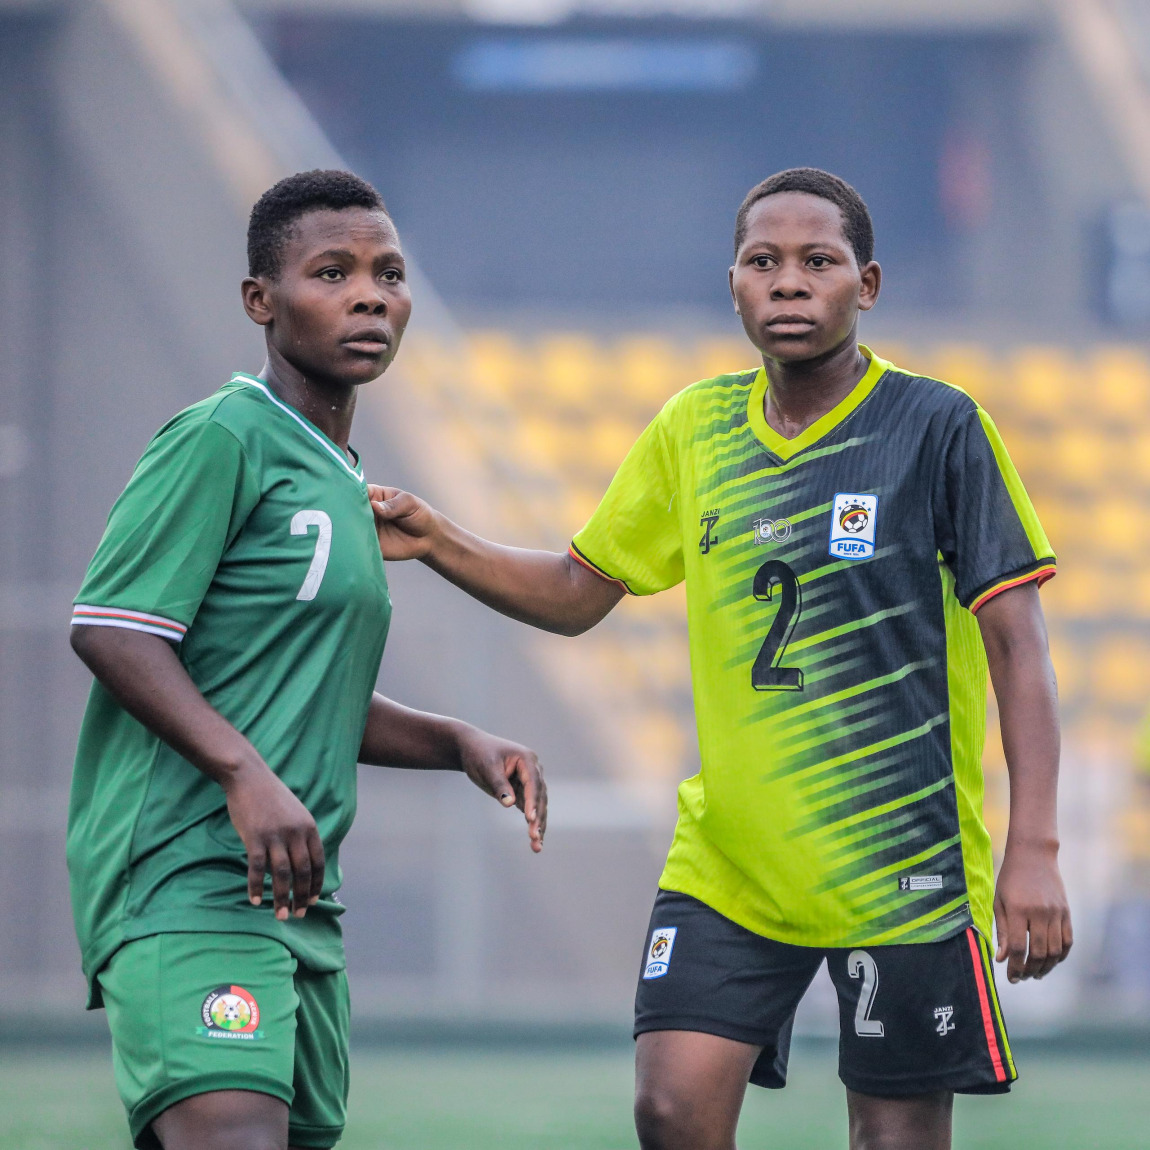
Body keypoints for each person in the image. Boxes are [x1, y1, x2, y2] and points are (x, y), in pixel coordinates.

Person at [369, 167, 1072, 1150]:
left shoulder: (938, 426)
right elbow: (576, 590)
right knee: (668, 1110)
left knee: (894, 1138)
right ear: (734, 284)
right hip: (729, 865)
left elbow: (1018, 645)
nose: (788, 281)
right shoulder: (693, 427)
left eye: (818, 261)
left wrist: (1034, 849)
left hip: (901, 862)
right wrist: (439, 539)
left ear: (866, 285)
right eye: (762, 261)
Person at [67, 169, 546, 1150]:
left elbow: (304, 696)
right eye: (333, 273)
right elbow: (113, 628)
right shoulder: (221, 435)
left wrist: (457, 740)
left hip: (298, 898)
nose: (370, 296)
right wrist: (242, 773)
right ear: (261, 300)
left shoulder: (345, 481)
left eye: (388, 275)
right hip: (186, 877)